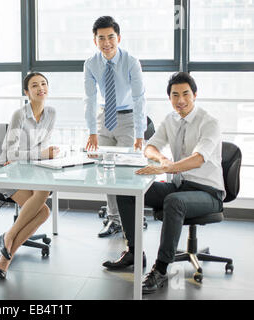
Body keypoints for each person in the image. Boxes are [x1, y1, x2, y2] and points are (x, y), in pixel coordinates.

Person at [102, 72, 225, 294]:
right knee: (128, 191)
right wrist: (162, 159)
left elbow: (198, 159)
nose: (181, 100)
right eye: (175, 95)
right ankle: (134, 252)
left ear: (195, 95)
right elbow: (149, 146)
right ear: (170, 98)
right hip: (180, 185)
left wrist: (166, 168)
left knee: (174, 201)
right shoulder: (171, 119)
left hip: (209, 193)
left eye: (186, 94)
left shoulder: (209, 122)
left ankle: (160, 269)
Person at [83, 16, 147, 237]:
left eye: (111, 37)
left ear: (118, 38)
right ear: (95, 40)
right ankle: (114, 220)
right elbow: (89, 99)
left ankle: (134, 218)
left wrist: (140, 133)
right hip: (104, 118)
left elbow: (139, 99)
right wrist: (92, 131)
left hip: (128, 119)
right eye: (101, 38)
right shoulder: (91, 64)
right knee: (105, 169)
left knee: (127, 171)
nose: (106, 42)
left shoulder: (131, 61)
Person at [0, 72, 59, 279]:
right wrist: (40, 154)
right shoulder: (19, 115)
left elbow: (43, 145)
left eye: (44, 84)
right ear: (26, 92)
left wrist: (49, 155)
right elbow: (11, 153)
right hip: (8, 170)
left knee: (44, 207)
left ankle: (8, 240)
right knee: (43, 211)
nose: (41, 88)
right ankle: (7, 252)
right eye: (34, 86)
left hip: (31, 168)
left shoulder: (51, 113)